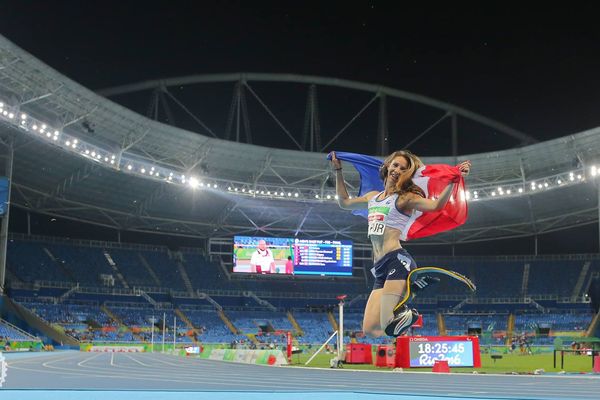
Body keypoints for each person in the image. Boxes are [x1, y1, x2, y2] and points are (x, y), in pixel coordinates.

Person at [330, 150, 471, 337]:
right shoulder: (373, 196)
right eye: (395, 165)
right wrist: (338, 170)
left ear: (407, 174)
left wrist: (453, 181)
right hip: (379, 266)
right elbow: (344, 202)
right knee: (371, 330)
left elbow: (436, 206)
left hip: (397, 261)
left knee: (388, 323)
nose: (397, 170)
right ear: (387, 166)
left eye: (403, 168)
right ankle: (411, 290)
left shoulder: (405, 198)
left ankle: (407, 308)